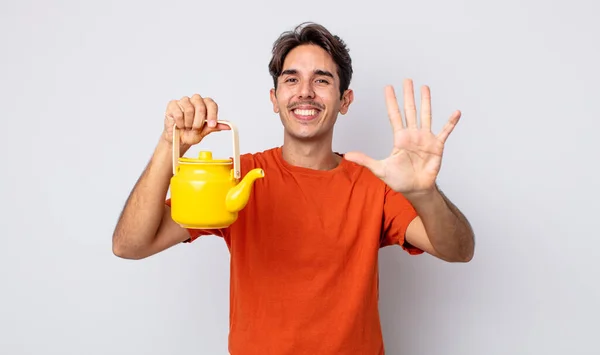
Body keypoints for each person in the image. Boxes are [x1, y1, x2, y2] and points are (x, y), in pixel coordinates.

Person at [112, 22, 475, 355]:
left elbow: (458, 250)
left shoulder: (373, 182)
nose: (305, 92)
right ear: (274, 99)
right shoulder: (240, 176)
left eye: (321, 80)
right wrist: (167, 144)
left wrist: (424, 193)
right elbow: (130, 245)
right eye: (291, 80)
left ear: (344, 101)